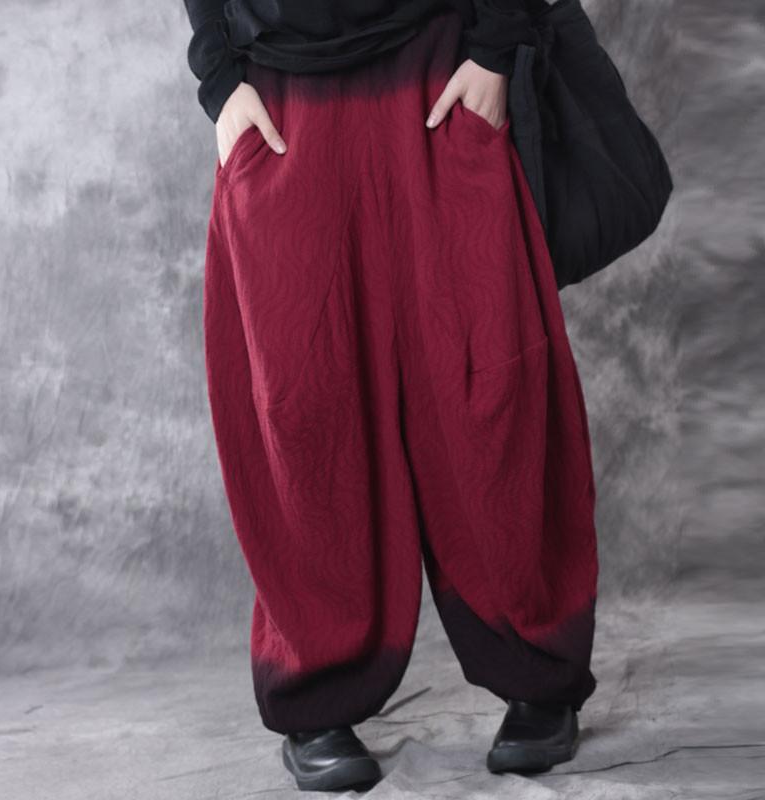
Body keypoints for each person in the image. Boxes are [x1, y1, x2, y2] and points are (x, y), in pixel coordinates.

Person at [182, 0, 599, 791]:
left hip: (438, 66)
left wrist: (497, 48)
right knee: (305, 403)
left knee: (490, 389)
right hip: (282, 91)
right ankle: (317, 692)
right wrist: (220, 79)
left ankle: (539, 671)